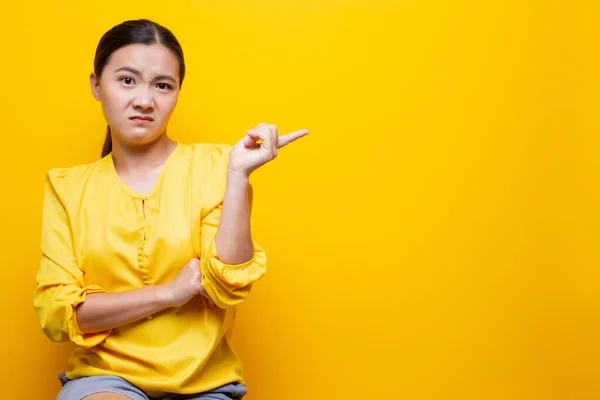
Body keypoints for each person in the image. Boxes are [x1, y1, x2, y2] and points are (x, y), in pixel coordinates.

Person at [33, 19, 308, 400]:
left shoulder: (217, 166)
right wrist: (169, 293)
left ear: (178, 92)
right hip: (107, 379)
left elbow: (227, 285)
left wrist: (238, 176)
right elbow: (59, 313)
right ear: (97, 85)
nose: (145, 100)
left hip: (204, 382)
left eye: (163, 85)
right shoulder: (66, 187)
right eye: (127, 80)